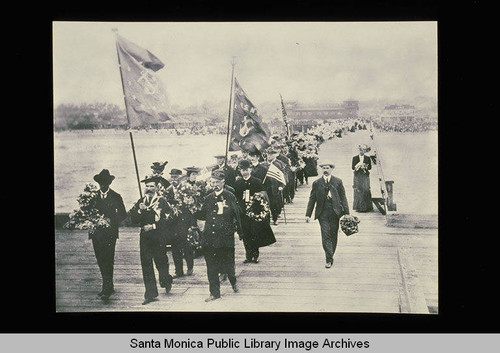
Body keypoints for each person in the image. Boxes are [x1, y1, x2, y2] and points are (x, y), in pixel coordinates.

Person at [195, 170, 244, 302]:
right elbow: (202, 215)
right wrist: (193, 208)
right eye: (212, 182)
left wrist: (240, 232)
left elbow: (237, 215)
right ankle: (214, 293)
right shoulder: (208, 197)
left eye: (217, 182)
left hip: (225, 238)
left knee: (228, 265)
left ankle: (233, 281)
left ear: (223, 182)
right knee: (211, 267)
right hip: (209, 237)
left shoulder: (230, 196)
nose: (215, 184)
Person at [129, 175, 173, 305]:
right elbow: (133, 220)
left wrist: (153, 226)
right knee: (146, 264)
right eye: (147, 186)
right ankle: (150, 293)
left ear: (156, 188)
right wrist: (139, 211)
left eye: (151, 186)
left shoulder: (162, 201)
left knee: (161, 262)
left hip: (158, 236)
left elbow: (169, 219)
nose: (149, 189)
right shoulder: (140, 202)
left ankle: (166, 280)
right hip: (145, 238)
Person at [90, 169, 127, 300]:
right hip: (96, 233)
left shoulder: (116, 196)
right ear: (99, 183)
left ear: (109, 183)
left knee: (108, 258)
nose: (103, 185)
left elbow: (123, 214)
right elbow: (87, 213)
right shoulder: (91, 196)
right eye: (101, 183)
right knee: (100, 259)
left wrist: (113, 219)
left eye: (105, 183)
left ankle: (107, 286)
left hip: (110, 233)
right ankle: (107, 285)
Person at [305, 162, 350, 269]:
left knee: (334, 234)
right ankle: (328, 259)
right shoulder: (317, 183)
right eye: (324, 168)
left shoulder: (338, 181)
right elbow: (312, 199)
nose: (326, 170)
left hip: (335, 212)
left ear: (331, 169)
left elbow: (343, 197)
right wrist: (308, 214)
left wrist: (347, 213)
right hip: (322, 213)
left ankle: (331, 253)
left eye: (328, 168)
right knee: (325, 235)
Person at [233, 159, 275, 263]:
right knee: (245, 233)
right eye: (242, 170)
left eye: (246, 170)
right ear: (240, 171)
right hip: (243, 213)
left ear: (250, 170)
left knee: (254, 232)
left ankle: (255, 254)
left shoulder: (257, 181)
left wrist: (257, 199)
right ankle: (248, 255)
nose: (245, 172)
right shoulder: (238, 183)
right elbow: (236, 197)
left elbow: (262, 196)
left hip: (254, 212)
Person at [352, 144, 374, 212]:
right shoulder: (355, 158)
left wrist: (365, 166)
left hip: (365, 176)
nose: (362, 151)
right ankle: (359, 207)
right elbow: (353, 167)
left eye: (363, 150)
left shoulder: (367, 158)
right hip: (357, 176)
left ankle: (367, 207)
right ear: (359, 150)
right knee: (358, 189)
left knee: (366, 189)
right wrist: (358, 166)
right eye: (361, 150)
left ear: (365, 151)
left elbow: (370, 167)